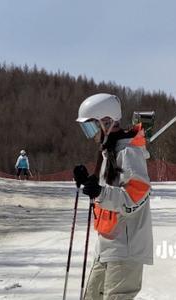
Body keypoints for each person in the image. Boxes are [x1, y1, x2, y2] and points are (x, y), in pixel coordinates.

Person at [73, 93, 153, 299]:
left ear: (107, 122)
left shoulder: (128, 152)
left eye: (91, 127)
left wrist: (100, 192)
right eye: (85, 129)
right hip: (107, 245)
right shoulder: (108, 152)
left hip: (126, 247)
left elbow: (135, 198)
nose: (90, 134)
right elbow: (106, 193)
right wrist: (89, 182)